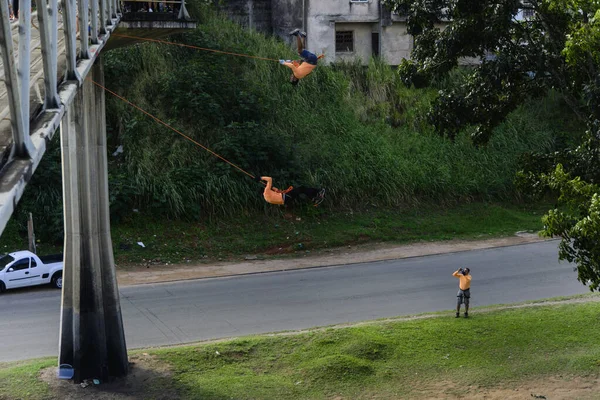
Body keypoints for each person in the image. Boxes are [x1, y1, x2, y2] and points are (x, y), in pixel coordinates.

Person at [256, 176, 325, 206]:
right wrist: (260, 178)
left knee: (301, 190)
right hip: (286, 196)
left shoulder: (266, 198)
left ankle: (313, 198)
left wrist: (272, 187)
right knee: (302, 188)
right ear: (264, 189)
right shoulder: (266, 191)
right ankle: (318, 192)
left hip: (286, 200)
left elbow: (276, 190)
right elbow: (269, 179)